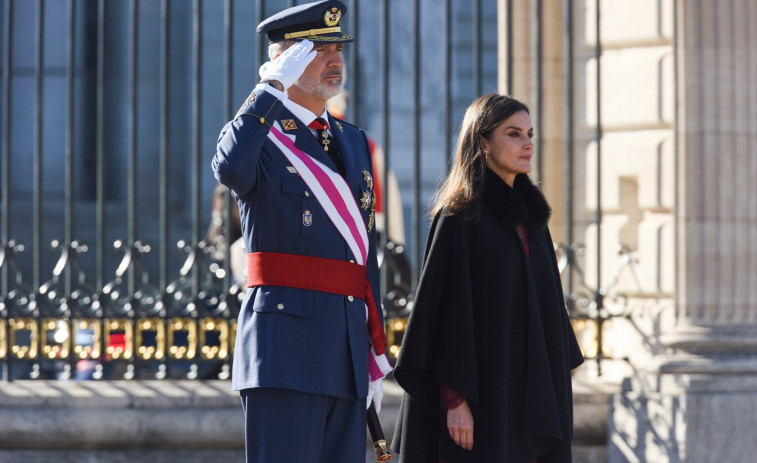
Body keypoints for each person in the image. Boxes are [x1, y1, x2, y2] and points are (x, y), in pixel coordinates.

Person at [211, 1, 392, 461]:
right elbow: (229, 167)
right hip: (285, 353)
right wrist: (268, 87)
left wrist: (371, 352)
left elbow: (361, 252)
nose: (335, 60)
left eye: (338, 49)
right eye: (317, 50)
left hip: (347, 351)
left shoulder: (352, 140)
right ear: (284, 59)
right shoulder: (261, 133)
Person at [390, 93, 584, 462]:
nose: (528, 144)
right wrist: (456, 401)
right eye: (513, 133)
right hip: (480, 398)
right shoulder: (461, 217)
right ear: (483, 142)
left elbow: (547, 316)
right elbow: (446, 315)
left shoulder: (533, 220)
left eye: (530, 133)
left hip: (531, 399)